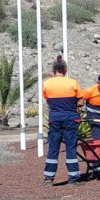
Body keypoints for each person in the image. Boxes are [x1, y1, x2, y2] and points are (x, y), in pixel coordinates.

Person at [42, 58, 83, 186]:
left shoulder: (47, 84)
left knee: (53, 149)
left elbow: (48, 100)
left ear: (53, 70)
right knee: (70, 148)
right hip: (71, 118)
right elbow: (81, 102)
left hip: (54, 119)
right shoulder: (73, 83)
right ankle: (73, 178)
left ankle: (49, 178)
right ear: (65, 70)